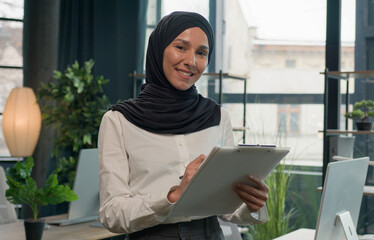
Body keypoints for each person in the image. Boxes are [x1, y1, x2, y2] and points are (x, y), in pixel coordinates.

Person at [98, 11, 269, 239]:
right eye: (181, 47)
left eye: (201, 53)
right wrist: (172, 196)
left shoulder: (218, 117)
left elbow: (227, 209)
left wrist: (251, 204)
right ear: (159, 49)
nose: (191, 62)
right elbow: (111, 214)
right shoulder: (118, 120)